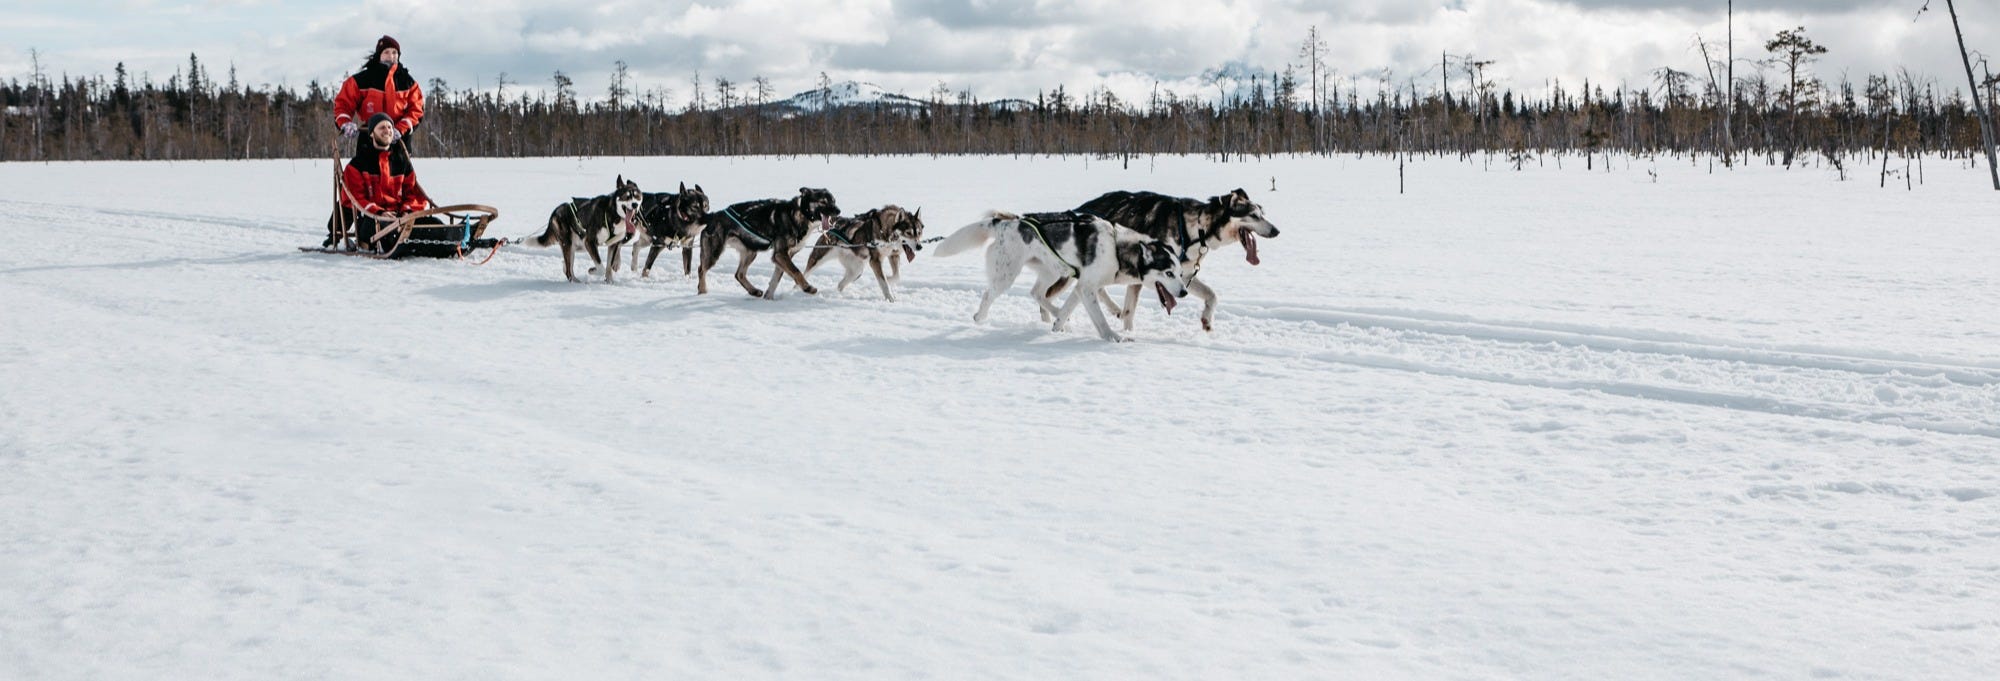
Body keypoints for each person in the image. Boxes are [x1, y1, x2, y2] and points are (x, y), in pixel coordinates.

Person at [340, 113, 435, 253]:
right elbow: (355, 198)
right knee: (388, 227)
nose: (387, 131)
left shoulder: (401, 162)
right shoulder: (357, 164)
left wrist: (406, 211)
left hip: (400, 216)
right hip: (371, 220)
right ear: (372, 133)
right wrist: (379, 212)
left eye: (390, 127)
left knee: (432, 224)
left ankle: (455, 239)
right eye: (382, 127)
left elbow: (413, 193)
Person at [334, 35, 424, 154]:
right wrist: (345, 123)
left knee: (399, 173)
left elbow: (416, 111)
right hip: (369, 138)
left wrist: (400, 129)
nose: (391, 56)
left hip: (399, 141)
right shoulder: (362, 80)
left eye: (394, 52)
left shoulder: (408, 83)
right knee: (363, 172)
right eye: (386, 52)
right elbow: (343, 104)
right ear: (379, 55)